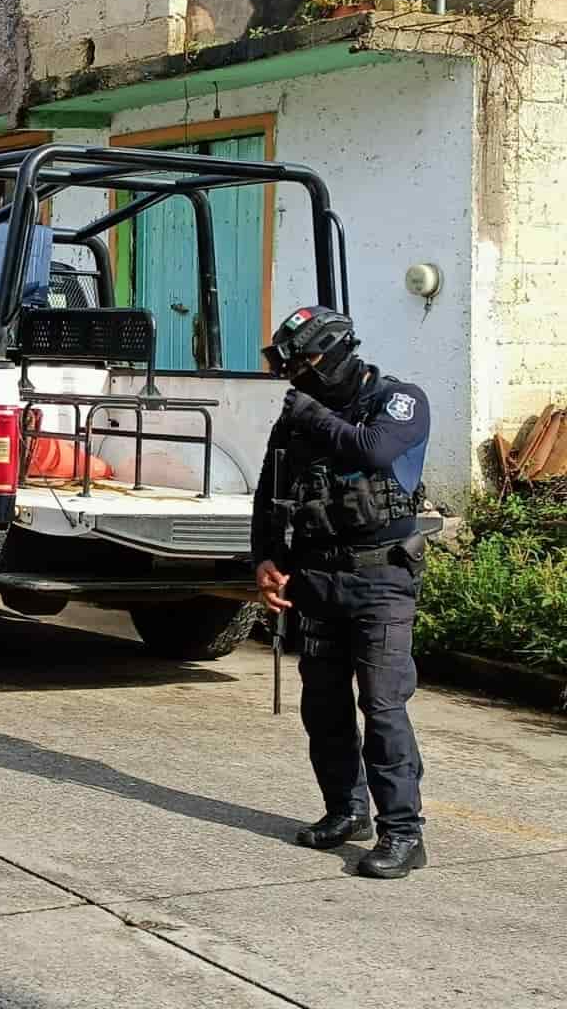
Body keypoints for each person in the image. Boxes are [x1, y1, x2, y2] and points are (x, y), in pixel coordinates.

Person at [253, 305, 431, 879]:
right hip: (317, 578)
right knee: (323, 705)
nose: (295, 377)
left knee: (381, 706)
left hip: (381, 578)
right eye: (291, 367)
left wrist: (311, 415)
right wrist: (265, 561)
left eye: (304, 363)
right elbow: (269, 490)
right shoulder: (297, 417)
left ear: (337, 354)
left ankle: (403, 832)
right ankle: (345, 810)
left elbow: (374, 451)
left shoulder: (398, 400)